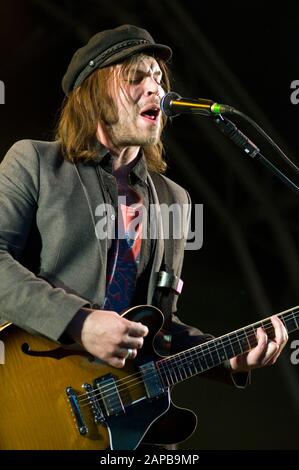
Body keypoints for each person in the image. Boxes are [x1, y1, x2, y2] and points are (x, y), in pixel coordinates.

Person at [0, 24, 288, 449]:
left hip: (130, 425)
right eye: (136, 78)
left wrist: (227, 355)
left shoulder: (175, 200)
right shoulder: (36, 163)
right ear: (94, 94)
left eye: (158, 77)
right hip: (33, 396)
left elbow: (158, 323)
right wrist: (80, 323)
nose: (155, 88)